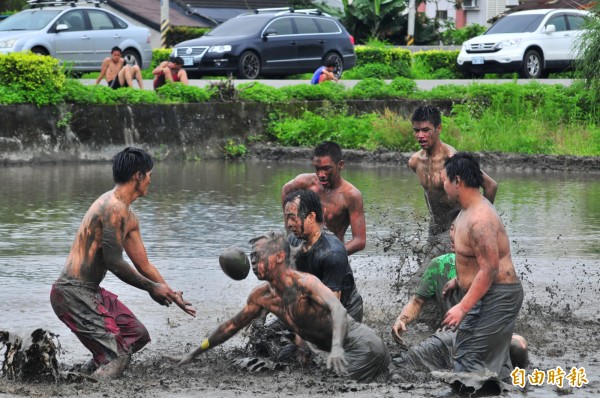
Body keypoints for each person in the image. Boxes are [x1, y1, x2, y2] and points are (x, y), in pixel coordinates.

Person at [50, 147, 195, 379]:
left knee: (135, 335)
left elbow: (144, 265)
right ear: (138, 176)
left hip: (90, 291)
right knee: (119, 356)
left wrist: (168, 291)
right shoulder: (113, 207)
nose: (150, 180)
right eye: (149, 175)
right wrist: (150, 287)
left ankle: (86, 373)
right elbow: (115, 262)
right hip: (72, 293)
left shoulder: (128, 215)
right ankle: (93, 383)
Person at [174, 231, 389, 381]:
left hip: (364, 346)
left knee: (331, 385)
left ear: (279, 257)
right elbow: (230, 327)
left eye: (257, 257)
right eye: (251, 259)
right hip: (338, 350)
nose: (254, 264)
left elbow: (339, 310)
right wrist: (194, 353)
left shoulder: (306, 283)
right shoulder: (261, 297)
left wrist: (334, 349)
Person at [440, 152, 523, 381]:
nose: (442, 185)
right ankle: (506, 384)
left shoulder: (481, 218)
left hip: (499, 296)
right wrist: (459, 280)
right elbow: (476, 260)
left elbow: (489, 269)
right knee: (485, 355)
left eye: (445, 180)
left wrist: (461, 308)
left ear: (457, 181)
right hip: (489, 292)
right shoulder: (466, 211)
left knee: (468, 355)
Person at [408, 105, 497, 259]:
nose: (420, 135)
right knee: (427, 265)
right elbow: (429, 192)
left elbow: (490, 186)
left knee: (426, 270)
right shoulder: (415, 162)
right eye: (417, 130)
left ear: (438, 128)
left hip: (456, 225)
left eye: (426, 130)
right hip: (434, 228)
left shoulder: (452, 159)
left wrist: (476, 222)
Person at [285, 189, 363, 322]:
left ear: (311, 217)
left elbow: (331, 308)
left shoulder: (332, 253)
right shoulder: (293, 241)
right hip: (311, 304)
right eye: (287, 218)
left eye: (293, 218)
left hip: (344, 312)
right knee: (267, 335)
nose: (289, 224)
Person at [281, 141, 366, 255]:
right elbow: (285, 190)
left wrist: (331, 255)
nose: (321, 174)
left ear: (340, 165)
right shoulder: (304, 183)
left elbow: (360, 241)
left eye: (326, 169)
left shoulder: (351, 196)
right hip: (303, 252)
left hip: (331, 255)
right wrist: (290, 233)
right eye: (317, 168)